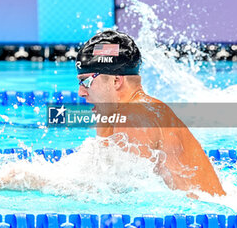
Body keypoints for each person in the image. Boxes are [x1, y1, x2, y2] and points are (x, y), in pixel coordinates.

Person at [76, 30, 226, 197]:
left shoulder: (136, 116)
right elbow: (103, 176)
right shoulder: (131, 111)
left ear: (116, 81)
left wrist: (47, 184)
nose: (80, 92)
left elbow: (120, 195)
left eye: (86, 82)